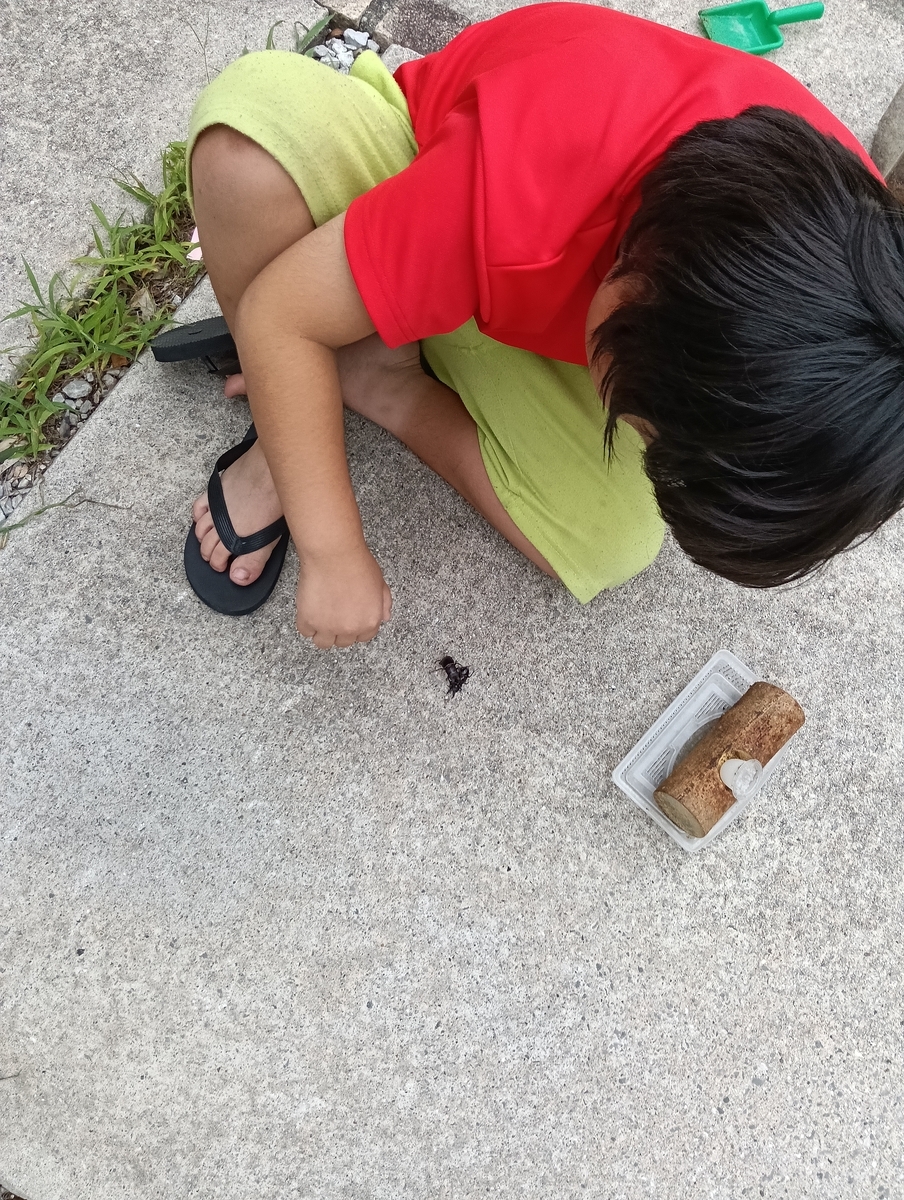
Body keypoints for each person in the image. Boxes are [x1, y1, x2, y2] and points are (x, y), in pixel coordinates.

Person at [182, 2, 904, 648]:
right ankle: (284, 438)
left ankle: (376, 375)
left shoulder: (858, 249)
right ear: (632, 296)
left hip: (547, 297)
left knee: (607, 541)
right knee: (248, 148)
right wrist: (332, 549)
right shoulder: (528, 173)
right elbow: (277, 314)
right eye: (649, 430)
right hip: (426, 193)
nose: (640, 443)